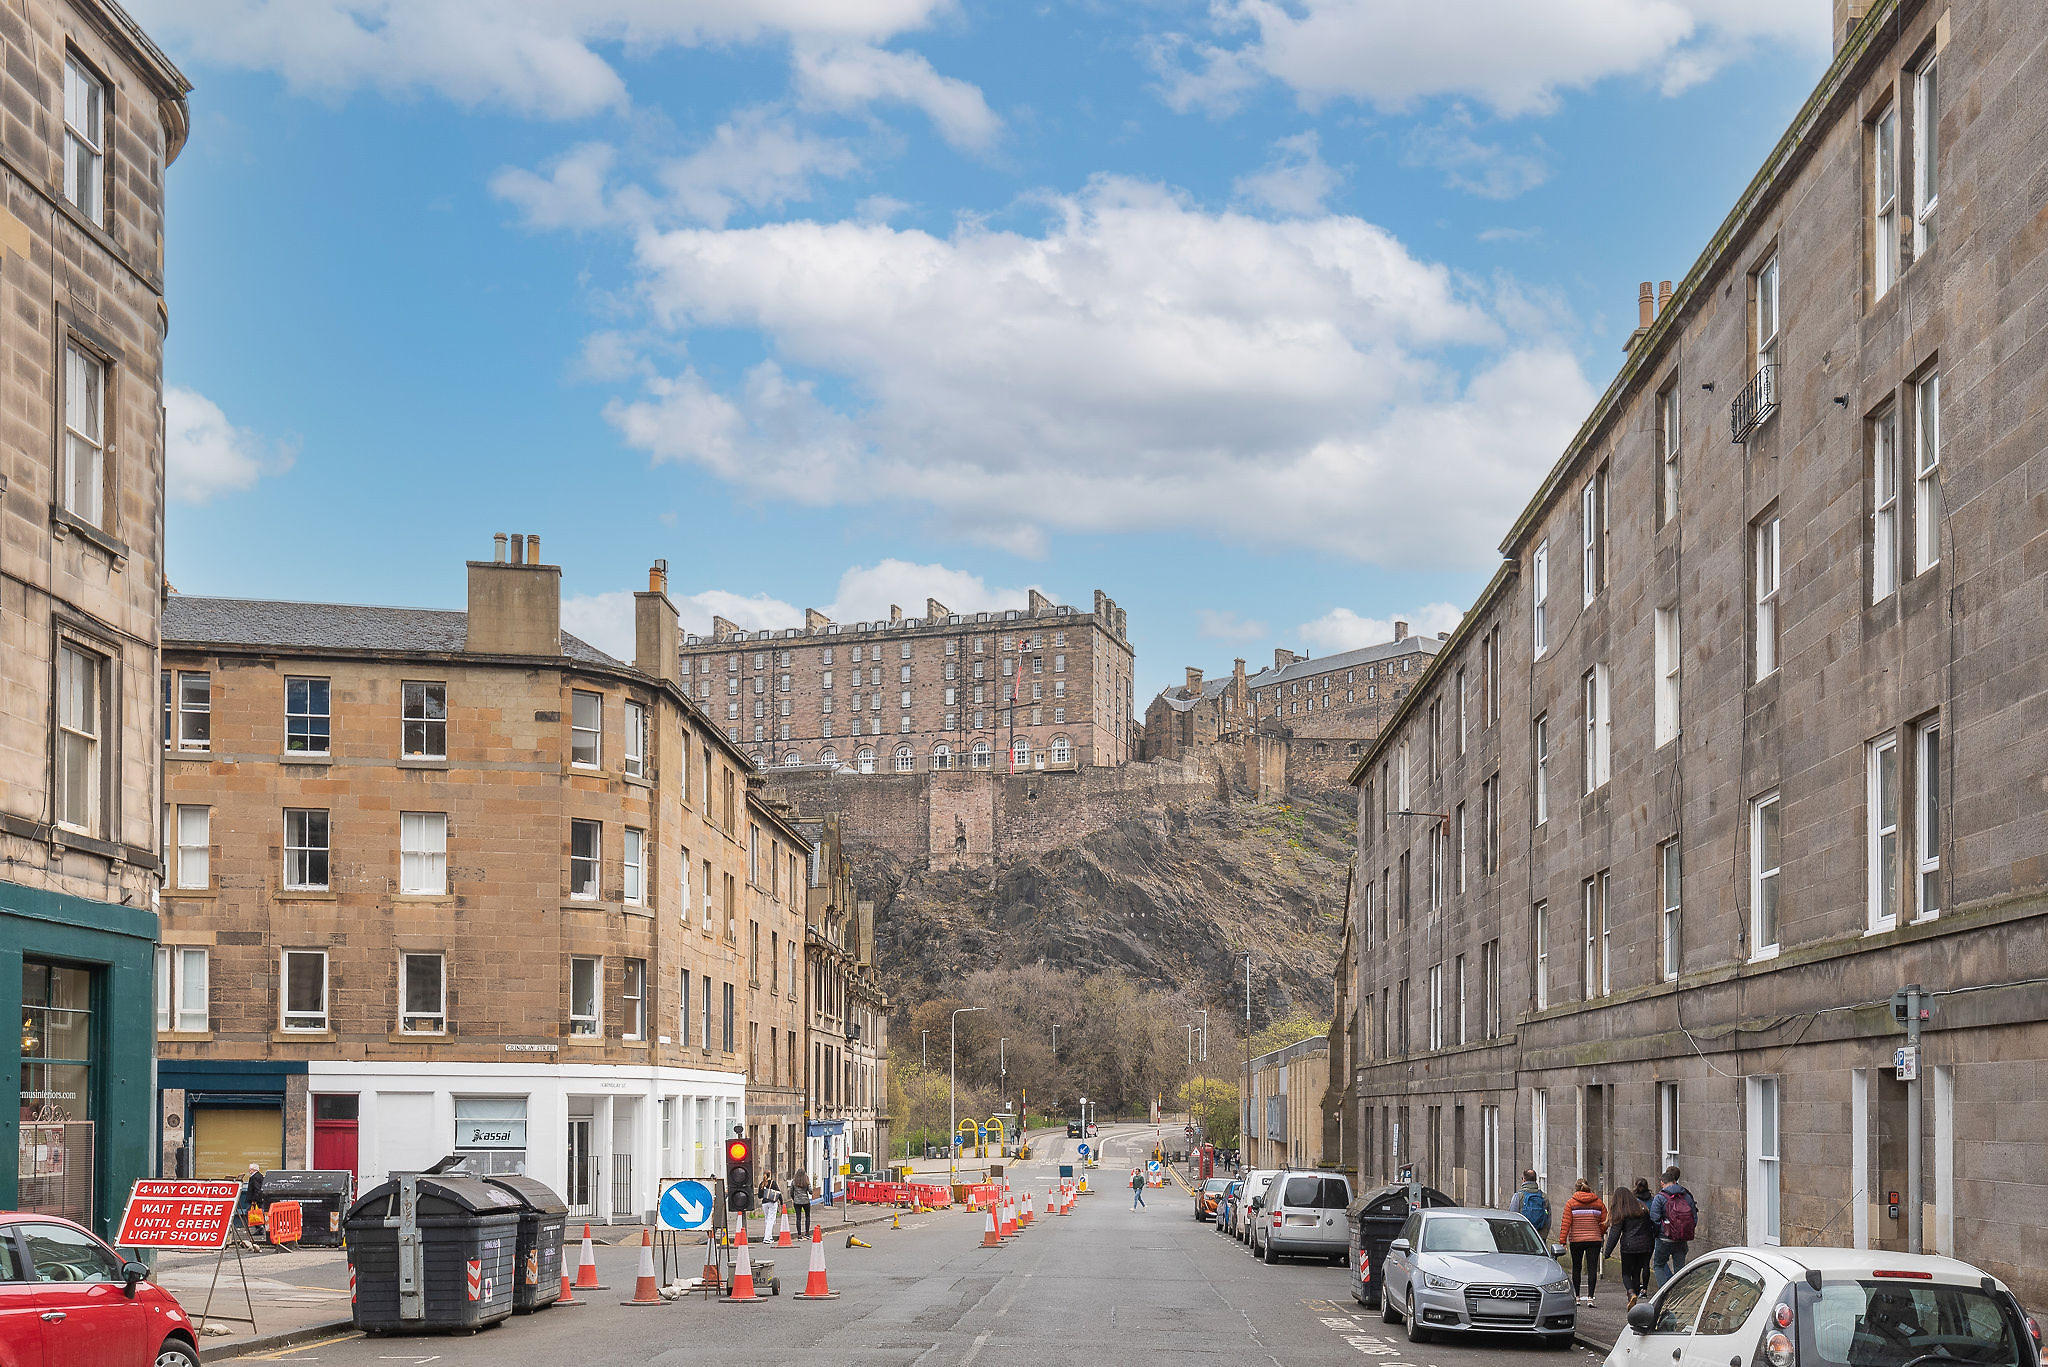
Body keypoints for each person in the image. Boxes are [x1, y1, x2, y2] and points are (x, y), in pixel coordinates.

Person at [1602, 1185, 1658, 1309]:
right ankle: (1635, 1298)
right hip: (1644, 1245)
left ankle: (1631, 1293)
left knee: (1626, 1274)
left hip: (1628, 1246)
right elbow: (1651, 1227)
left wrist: (1607, 1252)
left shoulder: (1621, 1212)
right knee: (1637, 1273)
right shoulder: (1642, 1208)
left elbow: (1614, 1234)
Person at [1647, 1166, 1700, 1289]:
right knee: (1680, 1269)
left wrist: (1661, 1233)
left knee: (1658, 1265)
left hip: (1664, 1239)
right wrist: (1684, 1231)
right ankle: (1679, 1296)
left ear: (1662, 1183)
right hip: (1682, 1239)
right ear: (1675, 1181)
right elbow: (1694, 1217)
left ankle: (1665, 1294)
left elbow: (1654, 1219)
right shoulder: (1686, 1195)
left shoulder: (1659, 1197)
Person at [1562, 1179, 1608, 1305]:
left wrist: (1562, 1241)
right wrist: (1600, 1232)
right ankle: (1590, 1298)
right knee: (1592, 1268)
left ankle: (1577, 1297)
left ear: (1576, 1189)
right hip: (1594, 1239)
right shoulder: (1598, 1203)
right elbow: (1605, 1222)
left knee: (1576, 1268)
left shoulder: (1571, 1203)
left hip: (1576, 1240)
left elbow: (1566, 1223)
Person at [1514, 1169, 1552, 1237]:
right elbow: (1548, 1219)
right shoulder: (1544, 1196)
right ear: (1535, 1180)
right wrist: (1544, 1235)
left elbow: (1513, 1216)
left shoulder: (1518, 1196)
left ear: (1524, 1180)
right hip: (1539, 1236)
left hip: (1523, 1235)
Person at [790, 1169, 813, 1236]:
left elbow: (791, 1192)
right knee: (807, 1217)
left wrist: (794, 1199)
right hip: (806, 1201)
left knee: (798, 1218)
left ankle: (799, 1234)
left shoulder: (794, 1181)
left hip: (797, 1202)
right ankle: (807, 1233)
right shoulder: (806, 1181)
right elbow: (810, 1191)